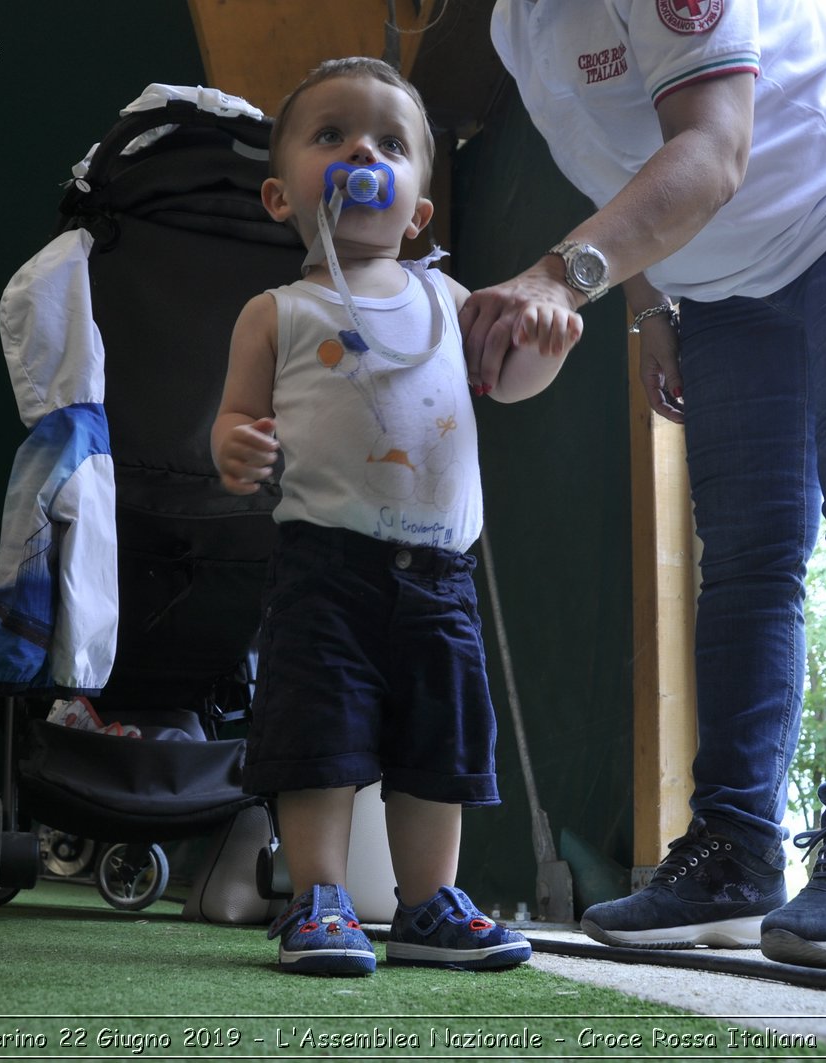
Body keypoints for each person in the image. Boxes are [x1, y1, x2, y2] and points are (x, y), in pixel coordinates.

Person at [462, 0, 826, 970]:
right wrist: (651, 306)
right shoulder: (513, 25)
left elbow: (711, 144)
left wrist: (560, 279)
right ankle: (731, 852)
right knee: (742, 556)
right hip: (722, 281)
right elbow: (615, 161)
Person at [211, 56, 582, 976]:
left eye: (387, 142)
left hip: (441, 575)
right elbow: (232, 420)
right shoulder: (276, 312)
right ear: (278, 195)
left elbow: (508, 384)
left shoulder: (445, 298)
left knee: (438, 745)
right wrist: (235, 449)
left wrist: (546, 345)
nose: (359, 153)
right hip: (322, 569)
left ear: (418, 209)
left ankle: (427, 903)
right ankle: (320, 896)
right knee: (317, 741)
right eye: (330, 136)